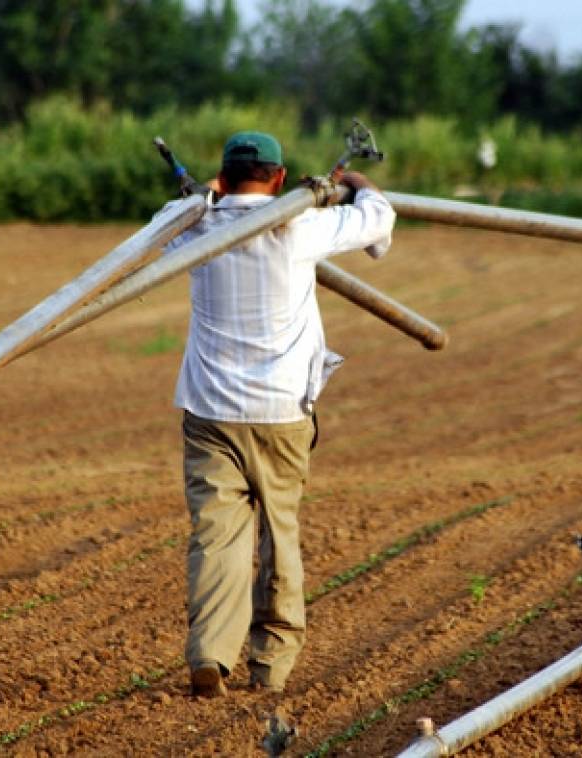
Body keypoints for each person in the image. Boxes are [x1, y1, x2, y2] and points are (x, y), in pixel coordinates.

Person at [160, 131, 396, 698]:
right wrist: (350, 184)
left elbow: (170, 220)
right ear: (281, 178)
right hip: (282, 413)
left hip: (210, 411)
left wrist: (209, 198)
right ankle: (270, 670)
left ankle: (211, 657)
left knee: (216, 538)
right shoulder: (301, 227)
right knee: (279, 536)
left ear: (222, 177)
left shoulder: (191, 225)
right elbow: (379, 219)